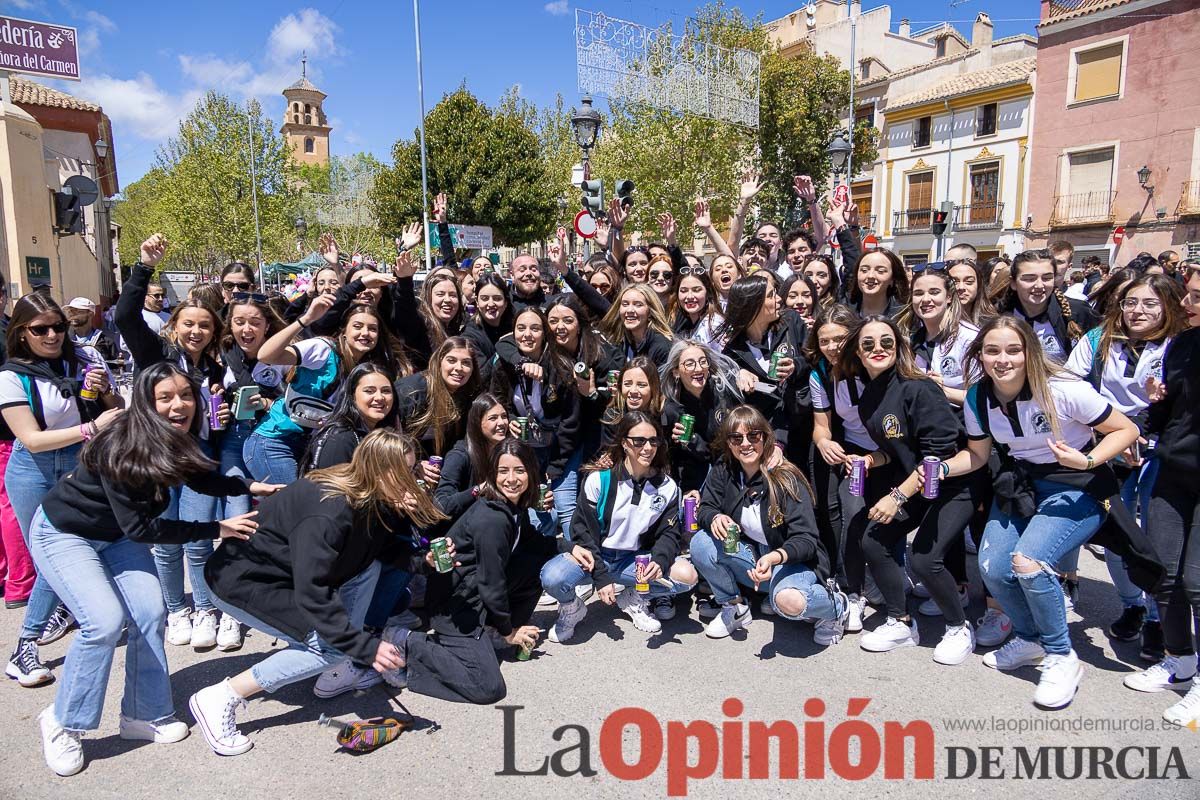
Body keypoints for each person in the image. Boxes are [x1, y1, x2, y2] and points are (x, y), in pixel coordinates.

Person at [28, 362, 271, 776]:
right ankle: (62, 722)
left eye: (186, 395)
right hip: (65, 533)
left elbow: (199, 477)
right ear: (145, 402)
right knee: (103, 623)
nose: (180, 405)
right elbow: (143, 528)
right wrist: (217, 527)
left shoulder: (174, 439)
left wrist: (248, 487)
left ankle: (142, 715)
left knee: (150, 613)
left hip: (118, 535)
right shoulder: (120, 445)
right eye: (166, 397)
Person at [191, 429, 445, 755]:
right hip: (241, 581)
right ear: (371, 467)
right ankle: (222, 695)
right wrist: (360, 645)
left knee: (368, 571)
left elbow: (375, 552)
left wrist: (423, 561)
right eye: (399, 472)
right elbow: (314, 593)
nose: (409, 482)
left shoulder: (370, 494)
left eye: (411, 471)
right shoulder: (330, 510)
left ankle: (336, 659)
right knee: (328, 647)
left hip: (286, 574)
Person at [953, 316, 1139, 708]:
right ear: (980, 355)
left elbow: (1125, 430)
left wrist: (1087, 461)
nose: (1002, 359)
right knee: (993, 567)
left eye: (1013, 350)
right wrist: (935, 469)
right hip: (1023, 486)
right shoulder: (976, 398)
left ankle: (1061, 656)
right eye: (992, 351)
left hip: (1077, 485)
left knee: (1029, 562)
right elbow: (977, 455)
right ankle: (1030, 638)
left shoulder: (1063, 389)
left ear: (1029, 353)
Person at [837, 315, 986, 665]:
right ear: (857, 352)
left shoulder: (919, 387)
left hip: (955, 482)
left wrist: (897, 496)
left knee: (923, 558)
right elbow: (898, 449)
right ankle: (900, 621)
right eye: (868, 343)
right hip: (920, 481)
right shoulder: (869, 396)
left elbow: (937, 455)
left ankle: (959, 628)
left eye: (887, 341)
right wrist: (870, 459)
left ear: (899, 347)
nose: (878, 349)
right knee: (873, 538)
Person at [2, 294, 123, 687]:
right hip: (32, 470)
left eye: (58, 326)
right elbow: (32, 439)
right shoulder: (12, 375)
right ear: (22, 333)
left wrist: (105, 391)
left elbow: (116, 406)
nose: (52, 335)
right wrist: (92, 428)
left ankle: (29, 640)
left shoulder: (85, 359)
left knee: (63, 550)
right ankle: (26, 646)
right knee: (49, 554)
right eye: (40, 329)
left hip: (79, 466)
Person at [1065, 275, 1184, 661]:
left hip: (1156, 455)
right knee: (1116, 535)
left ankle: (1157, 619)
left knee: (1154, 539)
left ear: (1168, 305)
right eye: (1131, 302)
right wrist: (1111, 436)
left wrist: (1144, 426)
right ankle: (1132, 603)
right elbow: (1071, 387)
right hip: (1105, 448)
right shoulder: (1098, 340)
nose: (1138, 311)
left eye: (1150, 303)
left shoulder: (1178, 348)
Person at [390, 438, 553, 703]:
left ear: (531, 473)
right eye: (503, 471)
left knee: (536, 566)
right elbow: (492, 583)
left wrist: (570, 546)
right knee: (488, 688)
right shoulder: (493, 519)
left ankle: (490, 631)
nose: (511, 479)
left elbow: (535, 541)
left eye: (519, 470)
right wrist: (509, 630)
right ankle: (408, 644)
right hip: (455, 605)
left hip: (475, 592)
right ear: (492, 474)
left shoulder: (513, 505)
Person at [690, 405, 846, 642]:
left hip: (793, 562)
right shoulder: (724, 469)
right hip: (756, 562)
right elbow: (706, 507)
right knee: (701, 543)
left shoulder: (785, 477)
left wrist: (775, 558)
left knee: (789, 603)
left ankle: (837, 608)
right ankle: (734, 606)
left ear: (765, 437)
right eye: (736, 438)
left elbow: (806, 540)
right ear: (728, 443)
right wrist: (714, 517)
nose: (745, 444)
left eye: (753, 436)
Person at [540, 412, 698, 641]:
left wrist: (659, 561)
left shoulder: (667, 487)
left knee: (686, 576)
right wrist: (602, 578)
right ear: (624, 443)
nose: (647, 448)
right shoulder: (599, 480)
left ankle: (634, 597)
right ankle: (572, 607)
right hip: (596, 557)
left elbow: (669, 534)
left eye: (653, 441)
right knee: (552, 576)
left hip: (633, 560)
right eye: (639, 441)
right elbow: (582, 533)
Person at [1132, 264, 1200, 725]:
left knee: (1197, 583)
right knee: (1162, 571)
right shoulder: (1184, 345)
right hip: (1173, 471)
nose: (1187, 303)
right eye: (1187, 294)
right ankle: (1180, 660)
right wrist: (1156, 405)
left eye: (1195, 296)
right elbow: (1170, 414)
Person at [247, 296, 396, 484]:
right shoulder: (322, 349)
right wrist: (306, 319)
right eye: (357, 326)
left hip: (311, 448)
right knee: (293, 504)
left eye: (372, 329)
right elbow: (266, 355)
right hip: (274, 442)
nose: (365, 333)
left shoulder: (367, 370)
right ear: (344, 331)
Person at [721, 273, 810, 463]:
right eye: (771, 295)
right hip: (770, 438)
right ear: (752, 306)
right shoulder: (733, 351)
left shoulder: (791, 321)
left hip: (804, 425)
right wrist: (736, 374)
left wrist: (796, 365)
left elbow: (814, 357)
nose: (779, 299)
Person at [995, 249, 1097, 363]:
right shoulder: (999, 314)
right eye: (1029, 279)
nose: (1039, 285)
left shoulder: (1078, 312)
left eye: (1047, 278)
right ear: (1013, 283)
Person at [395, 336, 479, 463]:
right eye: (451, 360)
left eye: (466, 363)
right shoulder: (413, 390)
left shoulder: (467, 396)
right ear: (440, 361)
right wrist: (415, 465)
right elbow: (390, 437)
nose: (459, 368)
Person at [303, 362, 399, 472]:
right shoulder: (340, 439)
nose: (379, 397)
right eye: (369, 391)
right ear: (352, 396)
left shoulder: (380, 433)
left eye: (386, 391)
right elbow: (330, 487)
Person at [599, 284, 674, 367]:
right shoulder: (621, 342)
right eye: (625, 304)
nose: (630, 310)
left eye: (638, 305)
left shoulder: (662, 347)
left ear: (650, 312)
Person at [847, 249, 909, 318]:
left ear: (892, 279)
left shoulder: (905, 316)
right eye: (864, 270)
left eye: (880, 271)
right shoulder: (845, 313)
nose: (870, 276)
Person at [673, 268, 725, 348]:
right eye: (683, 291)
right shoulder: (682, 324)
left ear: (708, 292)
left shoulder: (714, 324)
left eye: (696, 290)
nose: (689, 296)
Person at [64, 297, 119, 363]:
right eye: (70, 311)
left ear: (91, 314)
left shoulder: (106, 342)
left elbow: (116, 369)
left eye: (78, 312)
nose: (73, 315)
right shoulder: (64, 341)